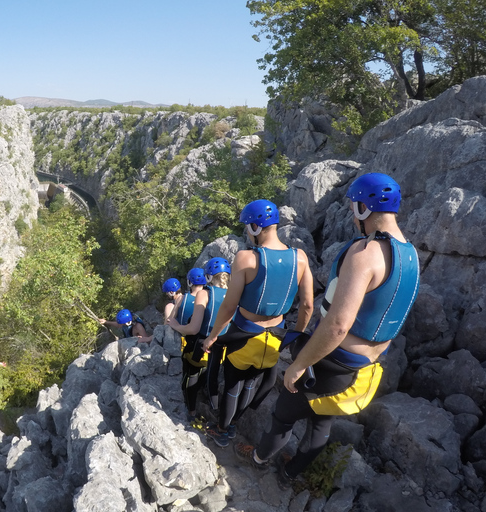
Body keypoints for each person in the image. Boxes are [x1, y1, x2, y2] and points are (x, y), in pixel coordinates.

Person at [242, 173, 419, 489]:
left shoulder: (366, 254)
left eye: (355, 208)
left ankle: (258, 460)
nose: (353, 215)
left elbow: (338, 325)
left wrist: (297, 367)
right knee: (321, 421)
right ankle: (293, 472)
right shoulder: (410, 254)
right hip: (362, 365)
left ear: (364, 208)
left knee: (284, 414)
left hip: (332, 360)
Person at [200, 199, 314, 447]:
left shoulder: (246, 258)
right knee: (252, 381)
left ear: (254, 227)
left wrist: (212, 337)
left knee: (233, 384)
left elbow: (229, 307)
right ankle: (233, 423)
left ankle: (222, 430)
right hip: (275, 338)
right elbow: (307, 306)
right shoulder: (301, 259)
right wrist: (295, 336)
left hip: (244, 336)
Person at [167, 258, 233, 421]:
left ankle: (191, 412)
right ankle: (217, 413)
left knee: (190, 377)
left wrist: (176, 326)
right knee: (211, 376)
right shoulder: (234, 294)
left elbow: (193, 328)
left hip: (200, 348)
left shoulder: (205, 294)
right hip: (222, 350)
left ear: (209, 277)